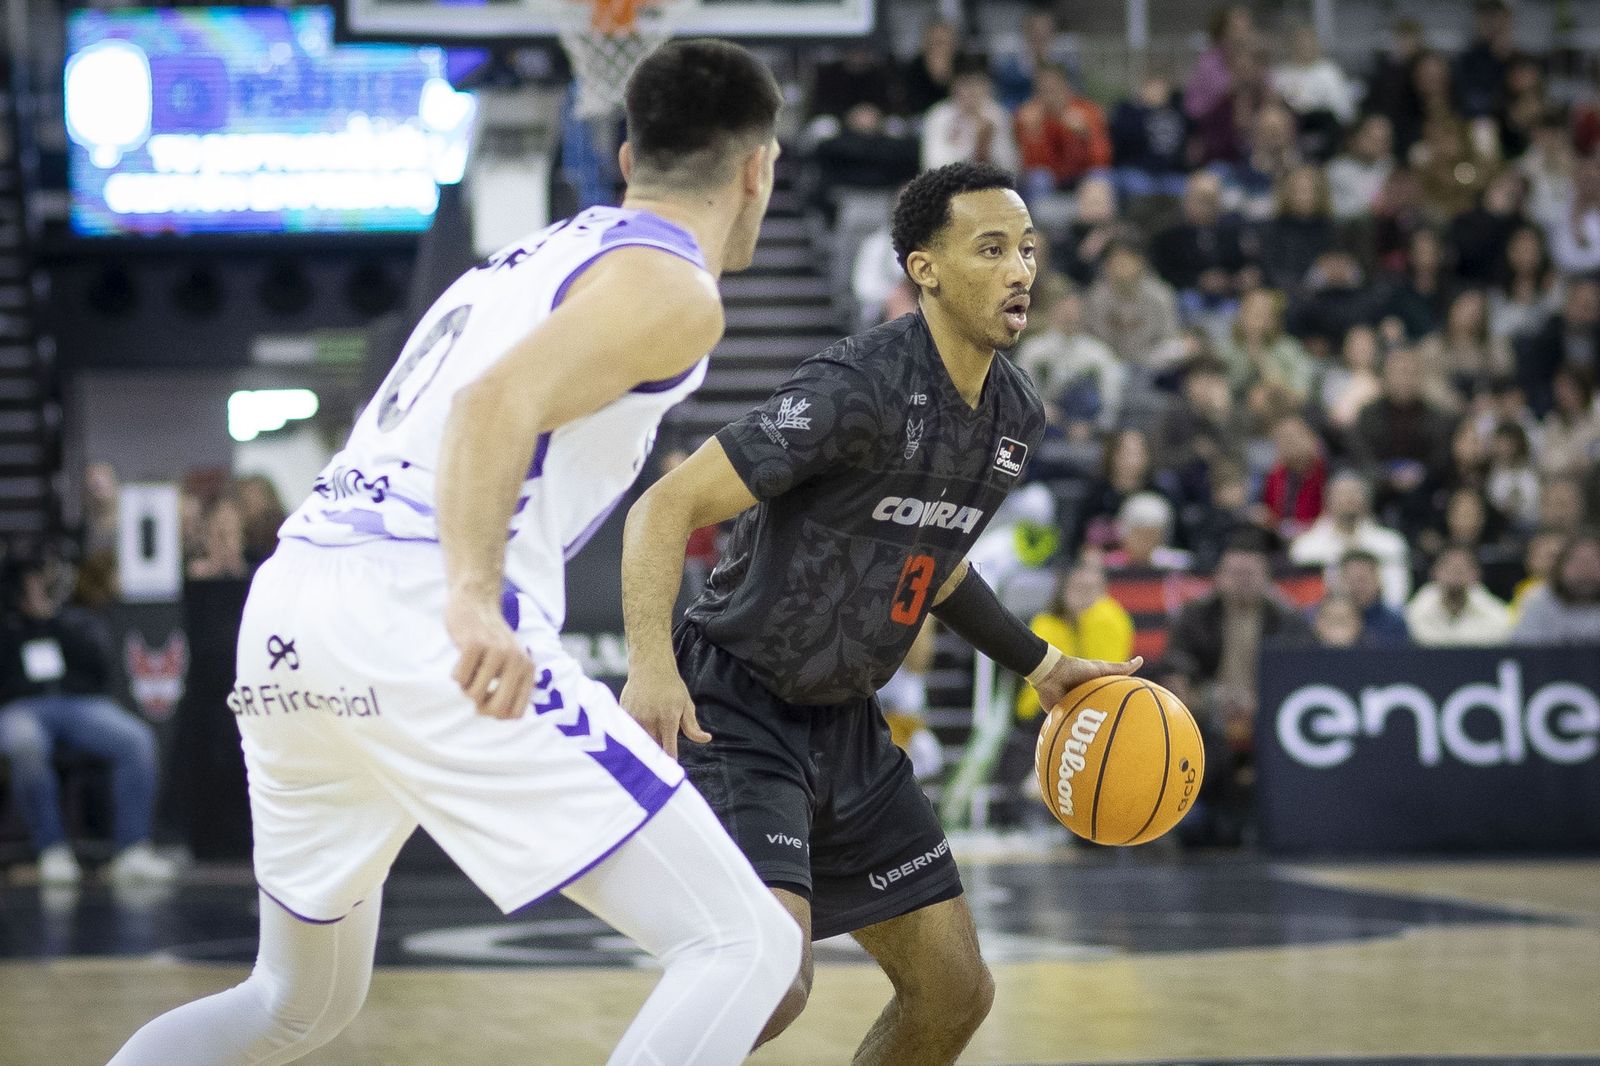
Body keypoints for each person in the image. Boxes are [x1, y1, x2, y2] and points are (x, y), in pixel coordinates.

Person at [108, 41, 801, 1066]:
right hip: (417, 607)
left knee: (293, 1001)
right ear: (759, 169)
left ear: (625, 158)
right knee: (744, 942)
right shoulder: (672, 287)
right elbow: (494, 405)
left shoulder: (536, 256)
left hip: (296, 605)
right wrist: (474, 599)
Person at [618, 163, 1140, 1065]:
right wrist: (649, 669)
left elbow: (934, 566)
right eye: (991, 249)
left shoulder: (1015, 416)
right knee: (769, 975)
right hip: (739, 705)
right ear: (924, 268)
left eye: (1026, 249)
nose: (1020, 269)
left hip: (850, 726)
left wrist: (1043, 666)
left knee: (954, 994)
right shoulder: (852, 388)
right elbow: (662, 509)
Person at [0, 556, 175, 885]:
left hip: (77, 703)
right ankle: (51, 849)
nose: (44, 586)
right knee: (25, 743)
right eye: (37, 579)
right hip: (20, 705)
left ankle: (133, 849)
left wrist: (52, 620)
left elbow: (97, 669)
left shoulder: (72, 620)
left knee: (135, 739)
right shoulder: (6, 625)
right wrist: (25, 621)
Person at [1016, 560, 1135, 721]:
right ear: (1064, 589)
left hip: (1099, 707)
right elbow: (1047, 673)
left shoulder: (1111, 619)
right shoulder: (1046, 623)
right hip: (1042, 711)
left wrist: (1084, 618)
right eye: (1077, 588)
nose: (1082, 596)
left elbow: (1106, 676)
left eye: (1090, 589)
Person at [1290, 470, 1412, 608]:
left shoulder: (1391, 543)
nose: (1348, 499)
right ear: (1327, 501)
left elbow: (1397, 597)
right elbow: (1304, 599)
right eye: (1341, 494)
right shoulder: (1305, 547)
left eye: (1354, 493)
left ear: (1367, 500)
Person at [1404, 544, 1512, 645]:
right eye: (1449, 566)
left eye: (1463, 567)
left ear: (1476, 573)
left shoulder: (1494, 613)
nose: (1456, 572)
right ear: (1434, 571)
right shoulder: (1416, 610)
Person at [1512, 530, 1600, 644]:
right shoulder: (1537, 601)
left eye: (1593, 561)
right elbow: (1523, 653)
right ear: (1560, 566)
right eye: (1577, 561)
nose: (1585, 569)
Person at [1336, 549, 1410, 644]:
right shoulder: (1321, 619)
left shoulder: (1395, 623)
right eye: (1352, 581)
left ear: (1377, 580)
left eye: (1363, 580)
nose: (1357, 587)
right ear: (1340, 581)